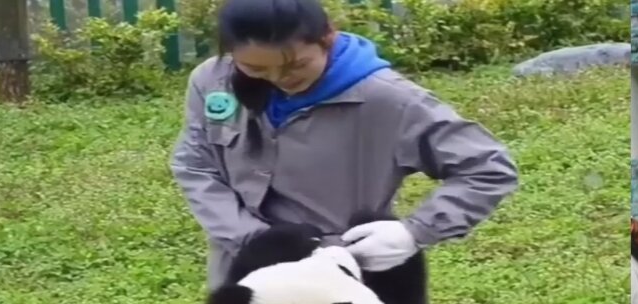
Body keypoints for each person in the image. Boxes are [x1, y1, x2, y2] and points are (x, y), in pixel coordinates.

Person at [171, 0, 518, 288]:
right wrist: (252, 239)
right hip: (237, 272)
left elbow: (487, 168)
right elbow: (195, 165)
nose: (279, 80)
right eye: (256, 69)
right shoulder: (212, 80)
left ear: (327, 37)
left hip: (339, 280)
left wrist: (416, 232)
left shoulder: (389, 101)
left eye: (296, 65)